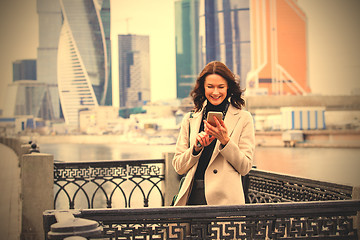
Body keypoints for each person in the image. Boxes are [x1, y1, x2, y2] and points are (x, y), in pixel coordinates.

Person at [172, 61, 255, 206]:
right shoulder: (190, 119)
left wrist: (225, 141)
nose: (215, 92)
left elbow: (245, 167)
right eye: (210, 87)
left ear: (228, 87)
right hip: (192, 198)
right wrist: (196, 148)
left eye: (221, 87)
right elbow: (179, 167)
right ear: (203, 88)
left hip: (226, 201)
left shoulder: (243, 118)